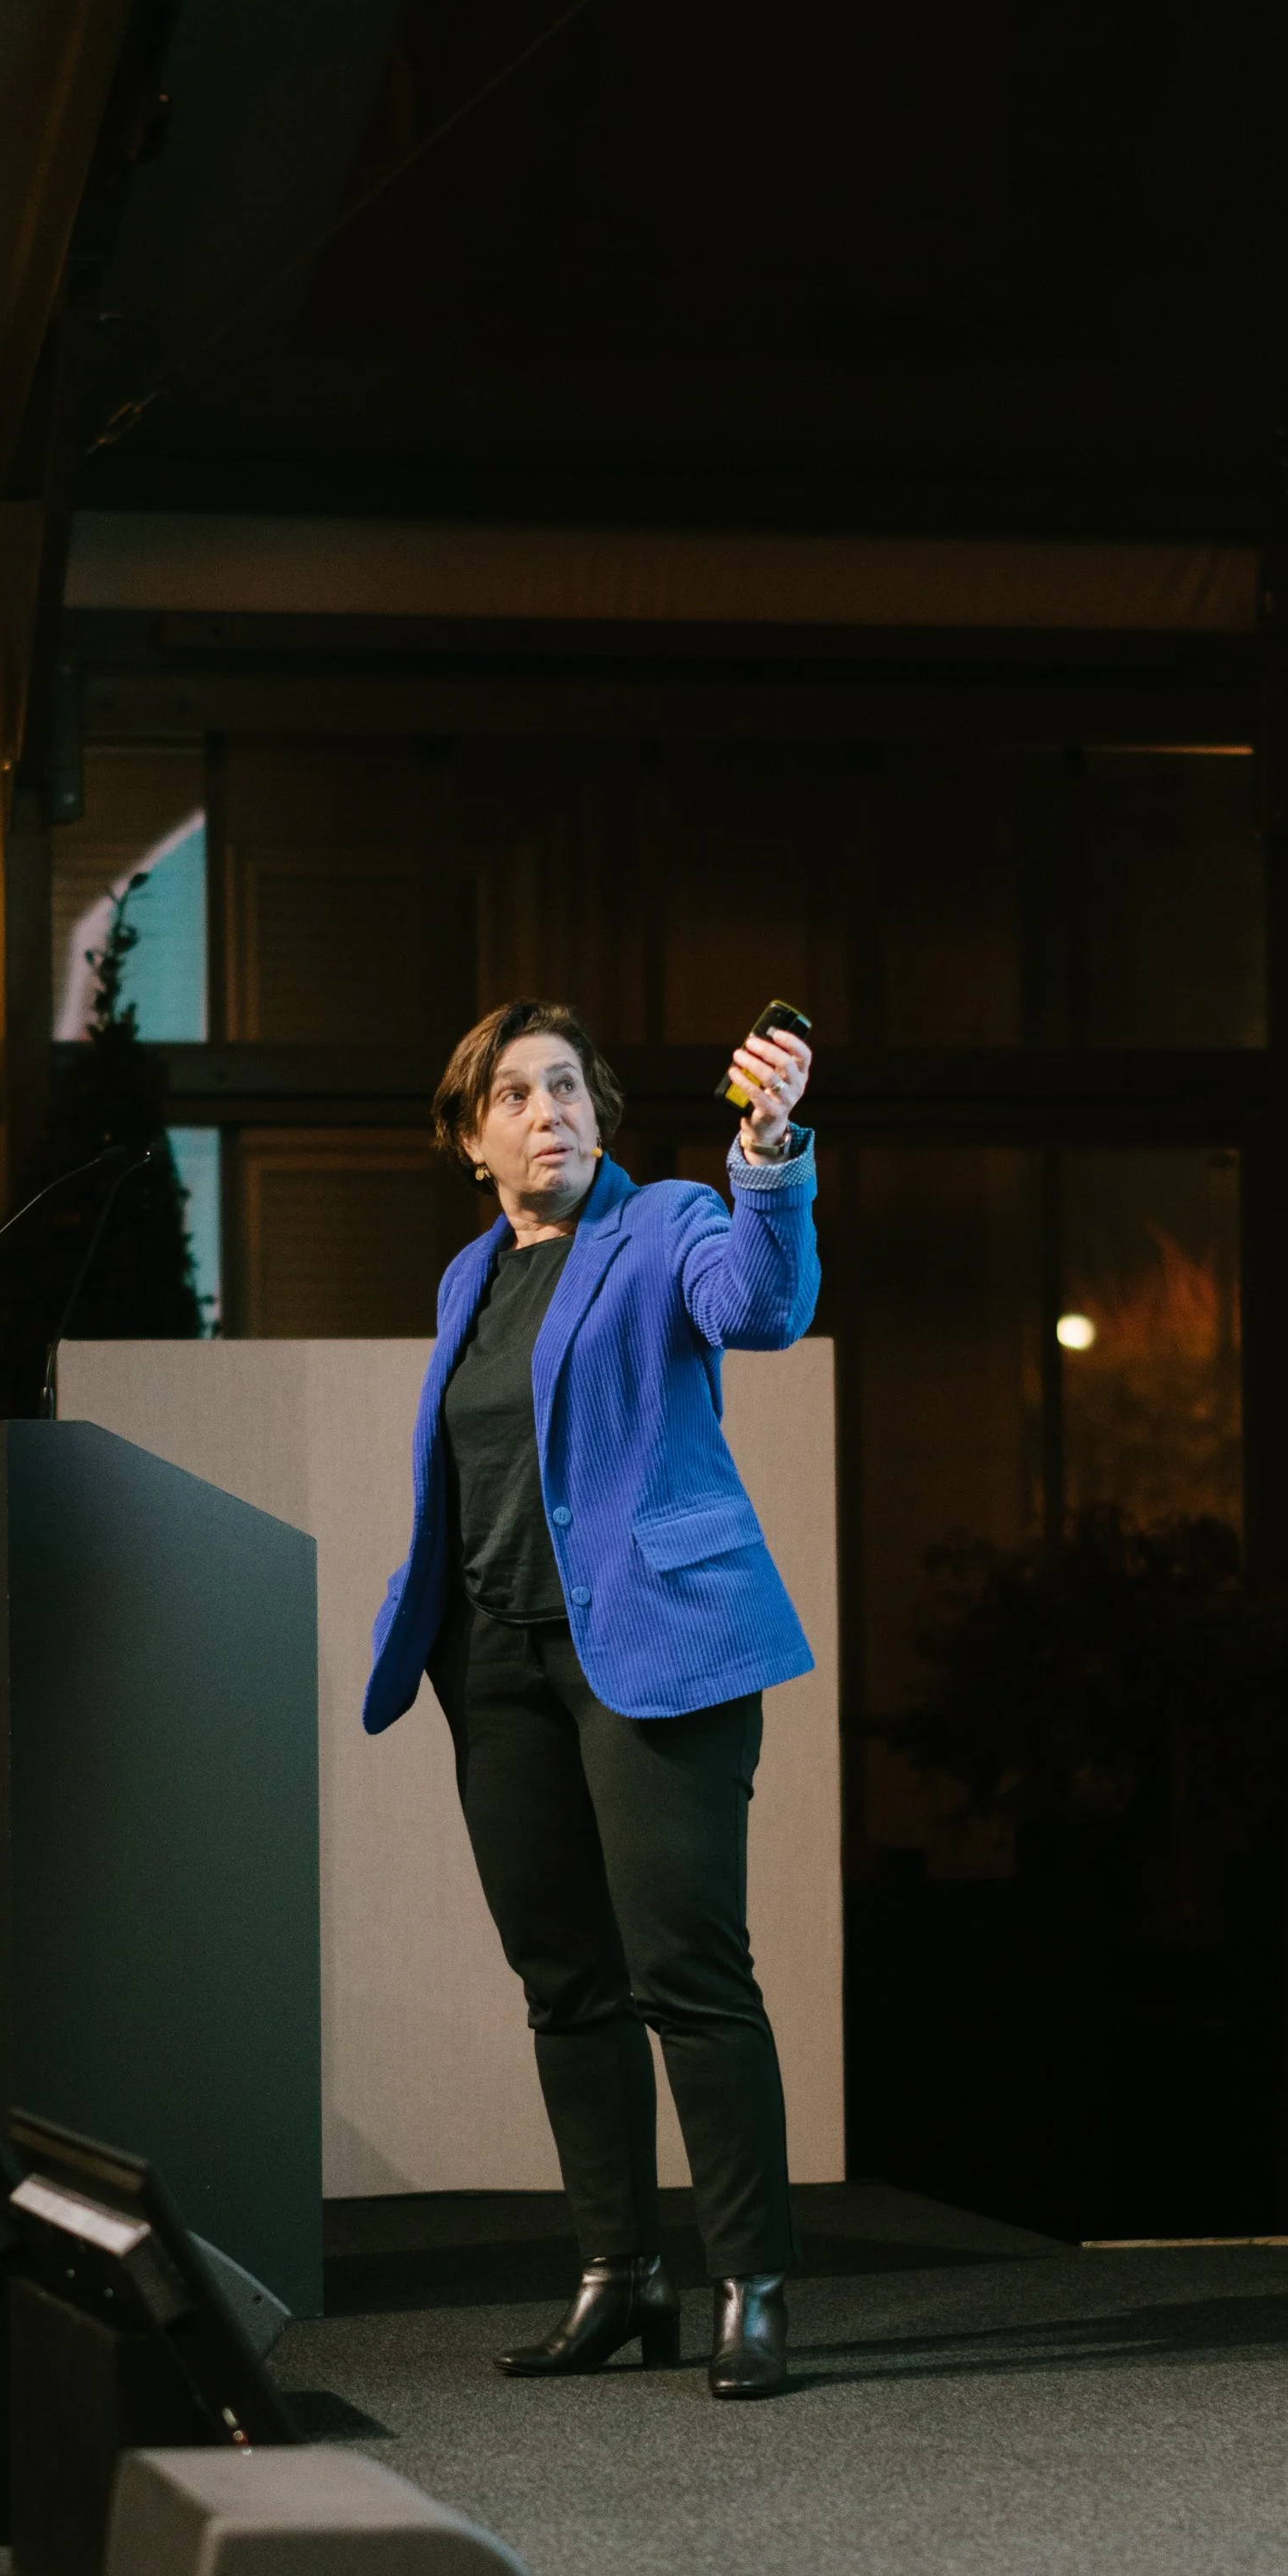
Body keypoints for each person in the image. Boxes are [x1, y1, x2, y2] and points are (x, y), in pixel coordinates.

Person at [363, 998, 818, 2398]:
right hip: (497, 1664)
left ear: (601, 1117)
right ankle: (619, 2278)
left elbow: (763, 1304)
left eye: (567, 1087)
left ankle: (752, 2285)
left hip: (653, 1647)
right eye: (514, 1094)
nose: (547, 1110)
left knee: (688, 1973)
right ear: (471, 1139)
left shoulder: (669, 1222)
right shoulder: (468, 1283)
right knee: (565, 1986)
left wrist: (772, 1147)